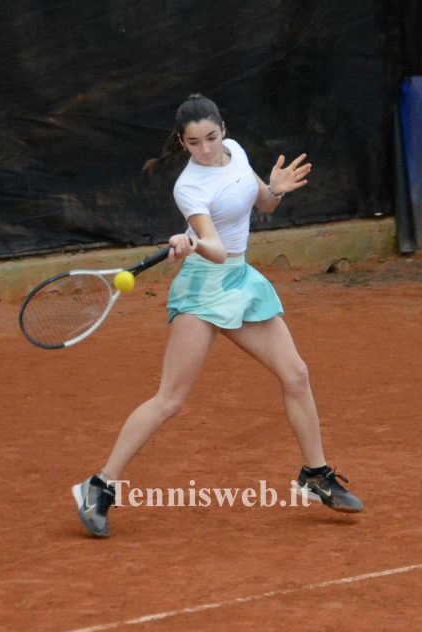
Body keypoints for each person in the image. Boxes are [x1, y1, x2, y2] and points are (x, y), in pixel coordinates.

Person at [71, 94, 363, 537]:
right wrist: (191, 243)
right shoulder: (189, 187)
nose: (205, 150)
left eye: (210, 138)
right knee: (170, 399)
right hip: (204, 288)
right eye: (193, 143)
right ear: (183, 143)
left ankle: (315, 475)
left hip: (240, 281)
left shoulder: (238, 152)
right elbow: (217, 247)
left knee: (296, 374)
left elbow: (262, 205)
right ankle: (98, 486)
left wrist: (275, 189)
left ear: (223, 128)